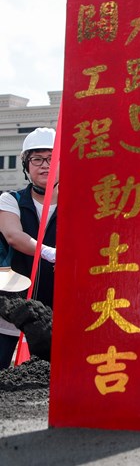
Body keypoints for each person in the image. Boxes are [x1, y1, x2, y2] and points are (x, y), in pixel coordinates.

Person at [0, 128, 58, 368]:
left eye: (52, 158)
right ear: (26, 164)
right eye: (37, 159)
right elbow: (14, 235)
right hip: (14, 310)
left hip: (57, 310)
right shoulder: (10, 199)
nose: (45, 165)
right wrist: (49, 252)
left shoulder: (81, 200)